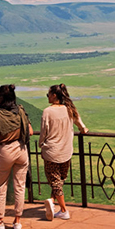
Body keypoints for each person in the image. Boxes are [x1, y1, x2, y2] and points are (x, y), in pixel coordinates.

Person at [0, 84, 33, 229]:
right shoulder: (21, 110)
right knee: (20, 186)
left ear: (1, 97)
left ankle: (0, 222)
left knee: (0, 187)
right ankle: (17, 221)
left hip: (5, 150)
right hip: (21, 150)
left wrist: (1, 136)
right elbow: (30, 132)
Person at [40, 83, 87, 221]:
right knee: (59, 179)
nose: (47, 97)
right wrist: (83, 129)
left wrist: (41, 144)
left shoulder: (47, 111)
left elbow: (44, 132)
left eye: (48, 94)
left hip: (52, 151)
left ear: (54, 95)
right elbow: (79, 122)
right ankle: (52, 202)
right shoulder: (69, 109)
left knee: (55, 181)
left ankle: (64, 210)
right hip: (66, 151)